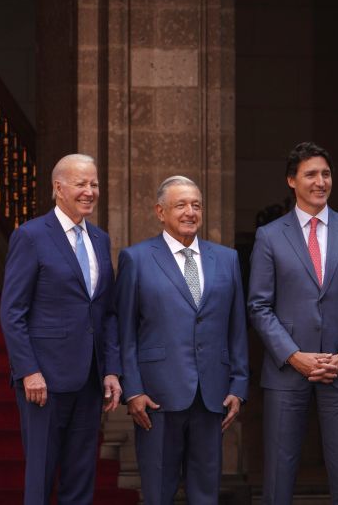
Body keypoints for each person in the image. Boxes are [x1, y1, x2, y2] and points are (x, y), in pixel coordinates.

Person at [248, 142, 338, 505]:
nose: (320, 181)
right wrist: (294, 356)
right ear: (292, 180)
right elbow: (259, 306)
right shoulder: (270, 236)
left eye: (325, 174)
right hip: (287, 372)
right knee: (278, 478)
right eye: (310, 174)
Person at [113, 175, 248, 504]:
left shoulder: (227, 259)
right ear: (160, 212)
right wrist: (133, 390)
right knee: (159, 491)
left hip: (212, 395)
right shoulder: (137, 258)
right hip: (156, 398)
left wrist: (238, 386)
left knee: (206, 493)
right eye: (181, 205)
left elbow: (236, 328)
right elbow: (125, 331)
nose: (190, 212)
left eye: (196, 205)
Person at [0, 153, 122, 504]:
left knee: (81, 477)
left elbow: (107, 311)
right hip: (44, 381)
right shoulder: (32, 236)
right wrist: (28, 371)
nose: (89, 191)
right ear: (58, 187)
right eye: (81, 183)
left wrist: (111, 369)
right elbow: (13, 311)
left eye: (94, 184)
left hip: (90, 378)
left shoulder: (100, 239)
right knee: (40, 476)